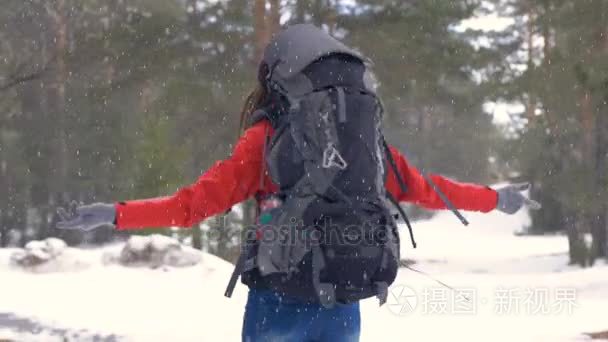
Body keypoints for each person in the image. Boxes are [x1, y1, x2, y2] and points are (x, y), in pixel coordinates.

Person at [57, 24, 539, 342]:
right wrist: (497, 198)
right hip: (344, 296)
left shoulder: (267, 138)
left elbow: (192, 206)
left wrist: (116, 213)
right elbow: (431, 188)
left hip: (279, 300)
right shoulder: (365, 144)